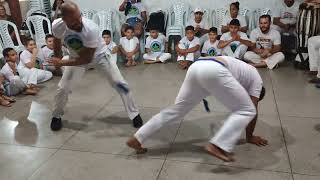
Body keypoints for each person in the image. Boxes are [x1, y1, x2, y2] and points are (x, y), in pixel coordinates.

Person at [127, 56, 268, 162]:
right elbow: (252, 108)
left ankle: (138, 138)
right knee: (247, 110)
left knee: (176, 111)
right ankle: (217, 145)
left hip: (197, 66)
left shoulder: (245, 70)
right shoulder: (257, 80)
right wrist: (249, 137)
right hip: (214, 70)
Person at [47, 1, 143, 131]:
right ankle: (56, 116)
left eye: (79, 17)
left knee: (121, 84)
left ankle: (135, 114)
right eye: (74, 21)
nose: (79, 22)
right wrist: (57, 60)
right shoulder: (57, 25)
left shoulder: (90, 29)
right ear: (64, 19)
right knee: (62, 88)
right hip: (75, 58)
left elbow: (86, 58)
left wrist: (62, 62)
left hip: (100, 57)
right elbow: (57, 43)